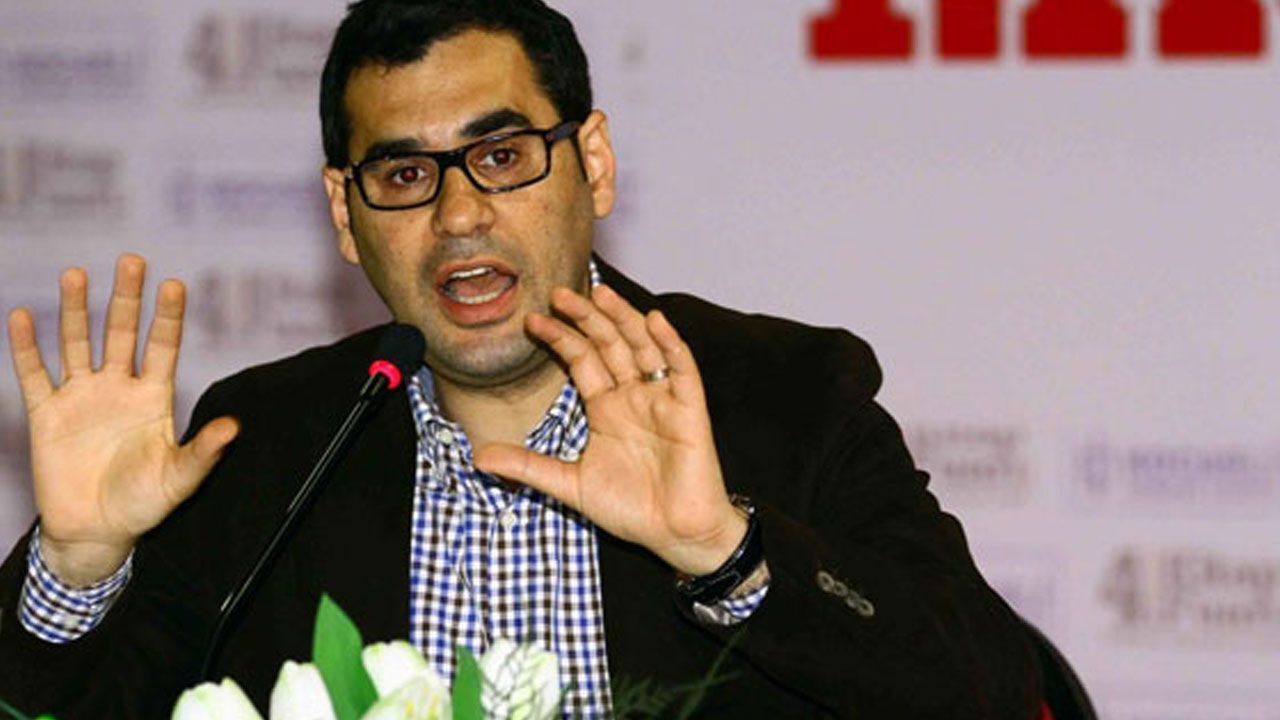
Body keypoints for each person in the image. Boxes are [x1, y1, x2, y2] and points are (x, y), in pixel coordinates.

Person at [0, 1, 1043, 717]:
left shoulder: (781, 395)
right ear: (345, 214)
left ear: (592, 163)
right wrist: (76, 567)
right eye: (403, 174)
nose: (458, 215)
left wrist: (729, 554)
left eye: (501, 157)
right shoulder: (272, 444)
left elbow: (992, 693)